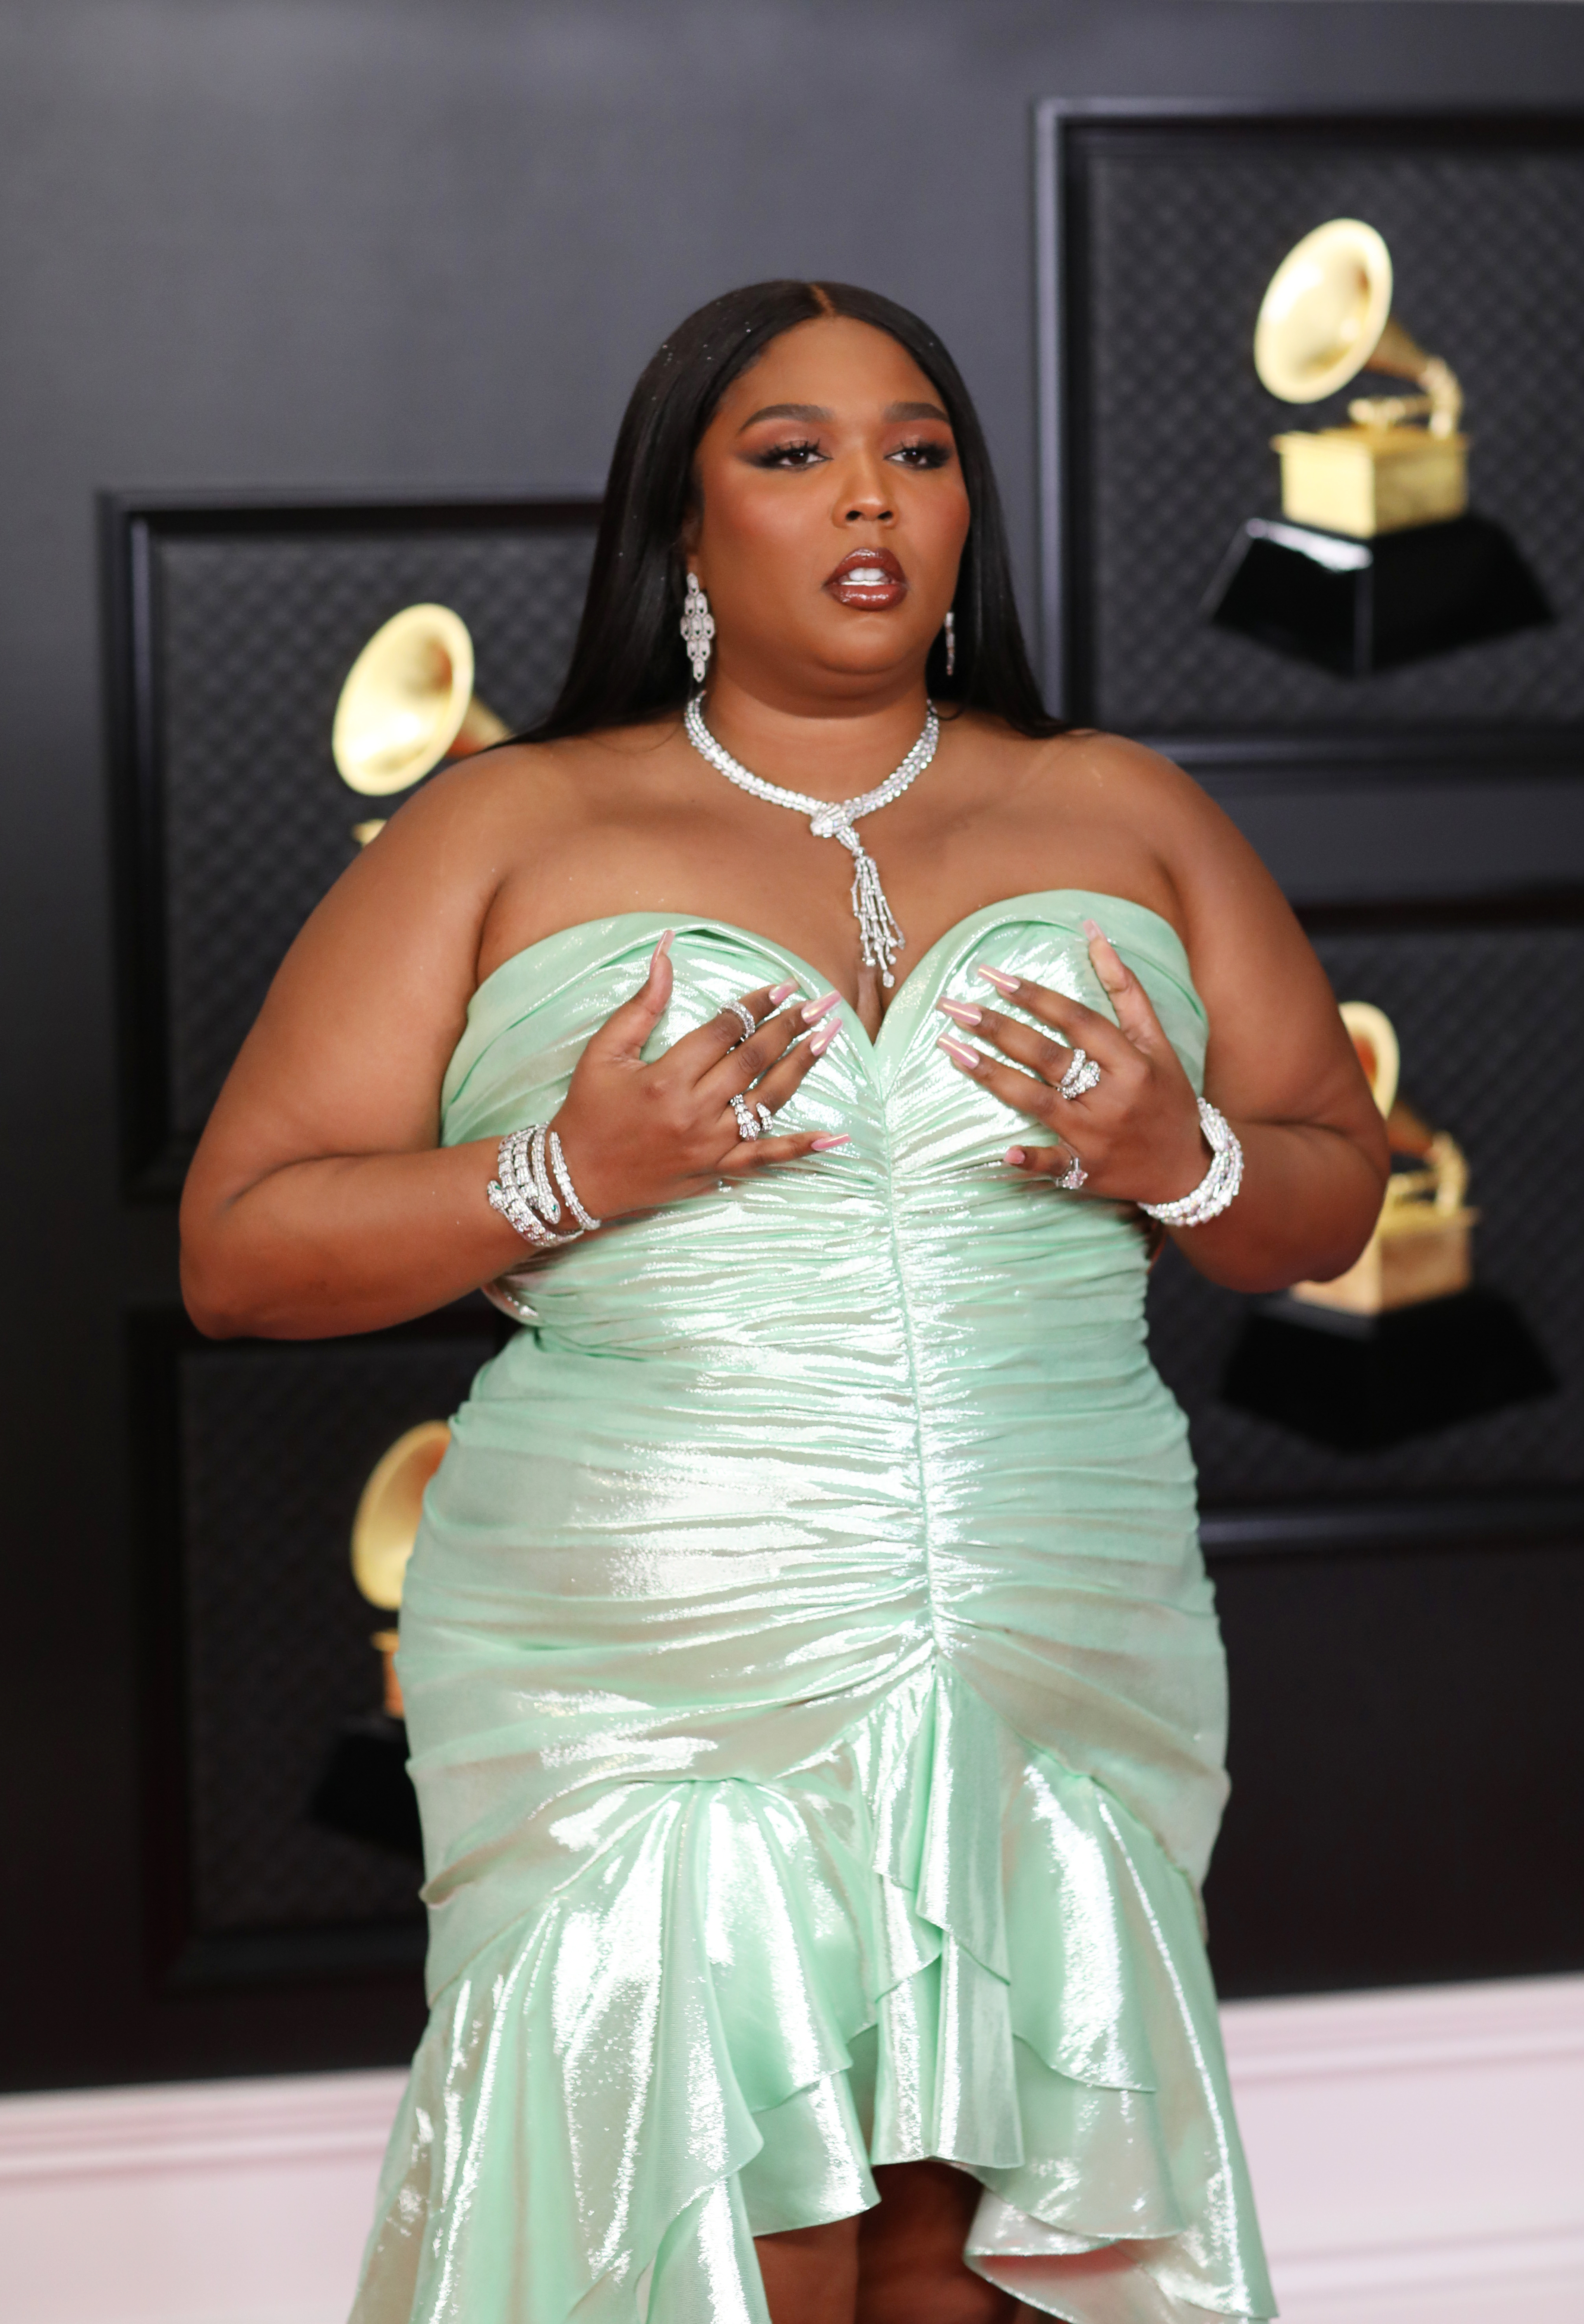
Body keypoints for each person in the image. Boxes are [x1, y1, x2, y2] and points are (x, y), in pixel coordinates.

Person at [180, 279, 1386, 2324]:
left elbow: (1327, 1192)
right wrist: (566, 1175)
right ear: (680, 525)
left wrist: (1177, 1155)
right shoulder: (511, 824)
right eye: (793, 450)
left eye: (919, 452)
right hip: (649, 1638)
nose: (872, 499)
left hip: (1049, 1605)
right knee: (719, 2224)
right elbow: (242, 1250)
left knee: (987, 2240)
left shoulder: (1125, 807)